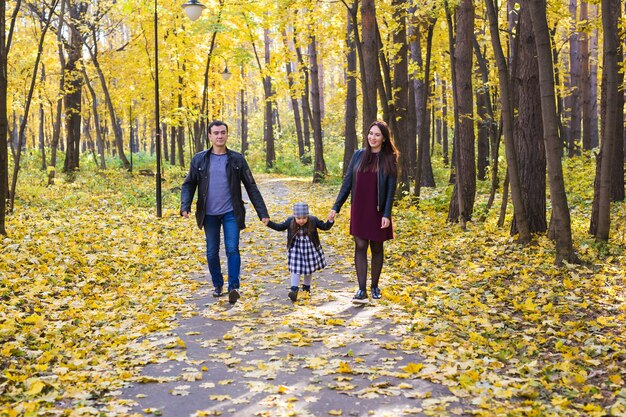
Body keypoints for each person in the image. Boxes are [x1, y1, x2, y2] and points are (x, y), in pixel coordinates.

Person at [181, 120, 270, 304]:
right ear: (210, 136)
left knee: (232, 249)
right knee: (212, 252)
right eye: (216, 133)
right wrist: (185, 206)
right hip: (209, 214)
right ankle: (217, 284)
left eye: (223, 132)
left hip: (231, 212)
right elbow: (189, 184)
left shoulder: (237, 159)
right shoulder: (199, 159)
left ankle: (233, 287)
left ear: (227, 135)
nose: (220, 136)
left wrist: (262, 212)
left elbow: (251, 187)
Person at [328, 120, 399, 304]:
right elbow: (347, 183)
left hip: (377, 211)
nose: (372, 137)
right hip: (359, 209)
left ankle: (374, 286)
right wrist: (336, 207)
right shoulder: (358, 156)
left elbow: (391, 189)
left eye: (377, 135)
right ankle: (361, 290)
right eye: (370, 133)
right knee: (360, 246)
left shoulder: (388, 159)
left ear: (383, 139)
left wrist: (386, 214)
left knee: (376, 247)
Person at [265, 202, 334, 302]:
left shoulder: (313, 220)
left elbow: (324, 227)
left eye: (304, 218)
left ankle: (306, 288)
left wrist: (330, 221)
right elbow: (279, 227)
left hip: (309, 249)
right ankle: (294, 290)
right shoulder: (290, 221)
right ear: (294, 217)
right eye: (298, 218)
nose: (301, 221)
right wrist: (269, 223)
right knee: (295, 269)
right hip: (295, 249)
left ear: (307, 216)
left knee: (308, 269)